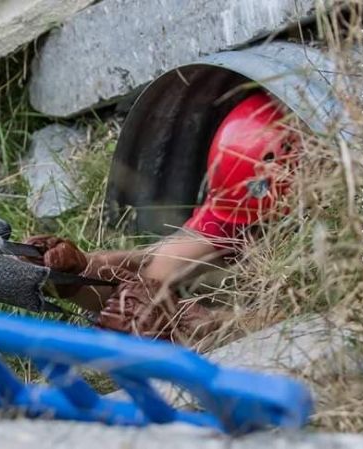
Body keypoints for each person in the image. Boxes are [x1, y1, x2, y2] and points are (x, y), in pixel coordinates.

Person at [24, 91, 298, 342]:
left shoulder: (327, 227)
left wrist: (212, 326)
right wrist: (79, 273)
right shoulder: (239, 199)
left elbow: (300, 316)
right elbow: (153, 269)